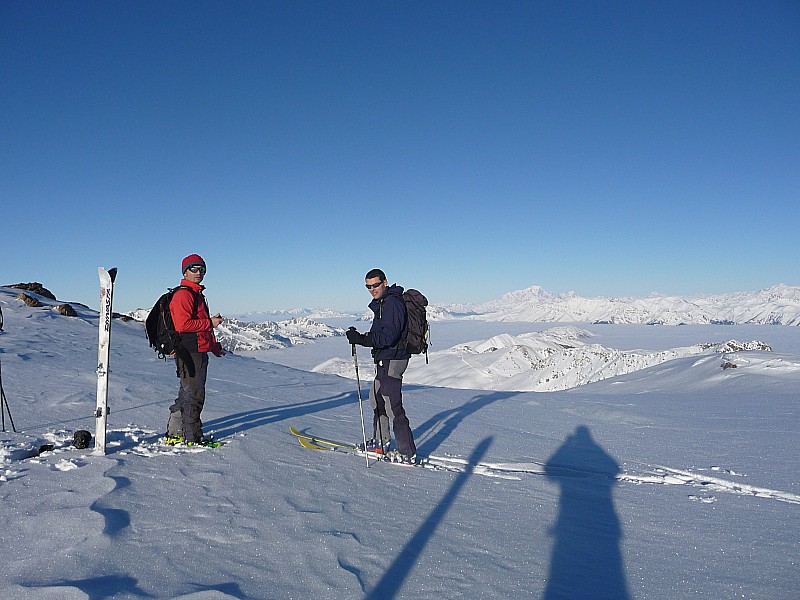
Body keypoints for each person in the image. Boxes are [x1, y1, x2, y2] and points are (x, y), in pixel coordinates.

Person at [346, 268, 417, 462]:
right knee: (376, 398)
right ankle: (380, 443)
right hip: (385, 358)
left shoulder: (392, 303)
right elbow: (383, 334)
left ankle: (407, 452)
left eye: (375, 285)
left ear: (385, 282)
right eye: (368, 286)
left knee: (392, 404)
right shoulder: (383, 303)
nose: (372, 289)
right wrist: (361, 337)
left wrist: (360, 339)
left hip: (394, 359)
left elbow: (389, 336)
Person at [166, 254, 225, 444]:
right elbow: (183, 325)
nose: (199, 272)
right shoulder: (184, 294)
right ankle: (193, 438)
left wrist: (214, 347)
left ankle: (174, 433)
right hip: (190, 353)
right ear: (185, 272)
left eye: (202, 269)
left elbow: (202, 328)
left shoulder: (196, 294)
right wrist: (210, 322)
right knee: (194, 395)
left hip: (198, 351)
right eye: (194, 269)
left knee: (187, 393)